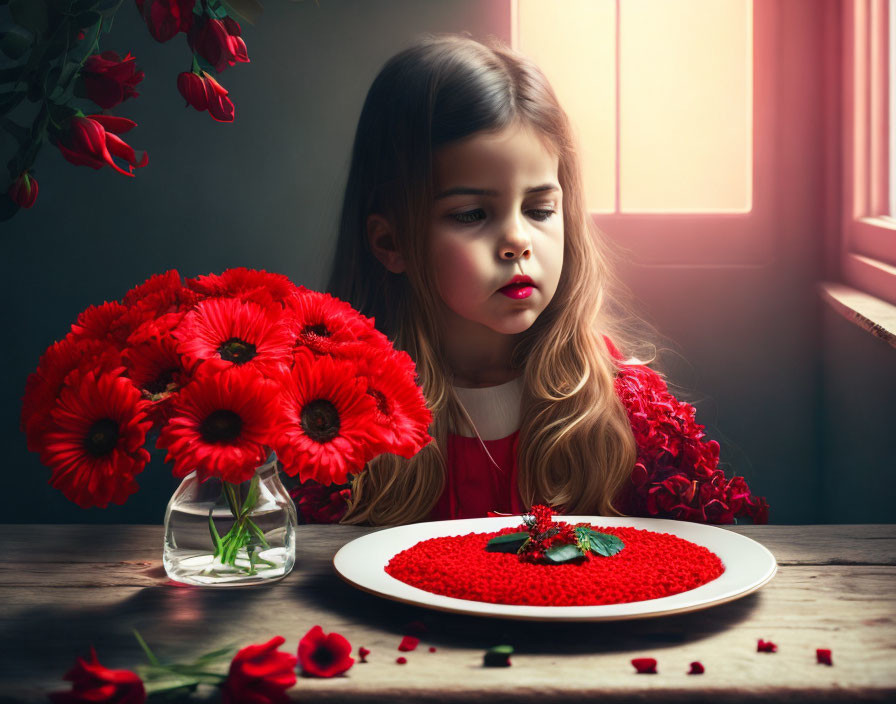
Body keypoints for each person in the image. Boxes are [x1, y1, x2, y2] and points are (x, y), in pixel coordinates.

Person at [310, 32, 768, 527]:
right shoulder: (334, 422)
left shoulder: (622, 409)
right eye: (471, 214)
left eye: (540, 209)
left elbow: (715, 545)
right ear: (389, 243)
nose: (516, 241)